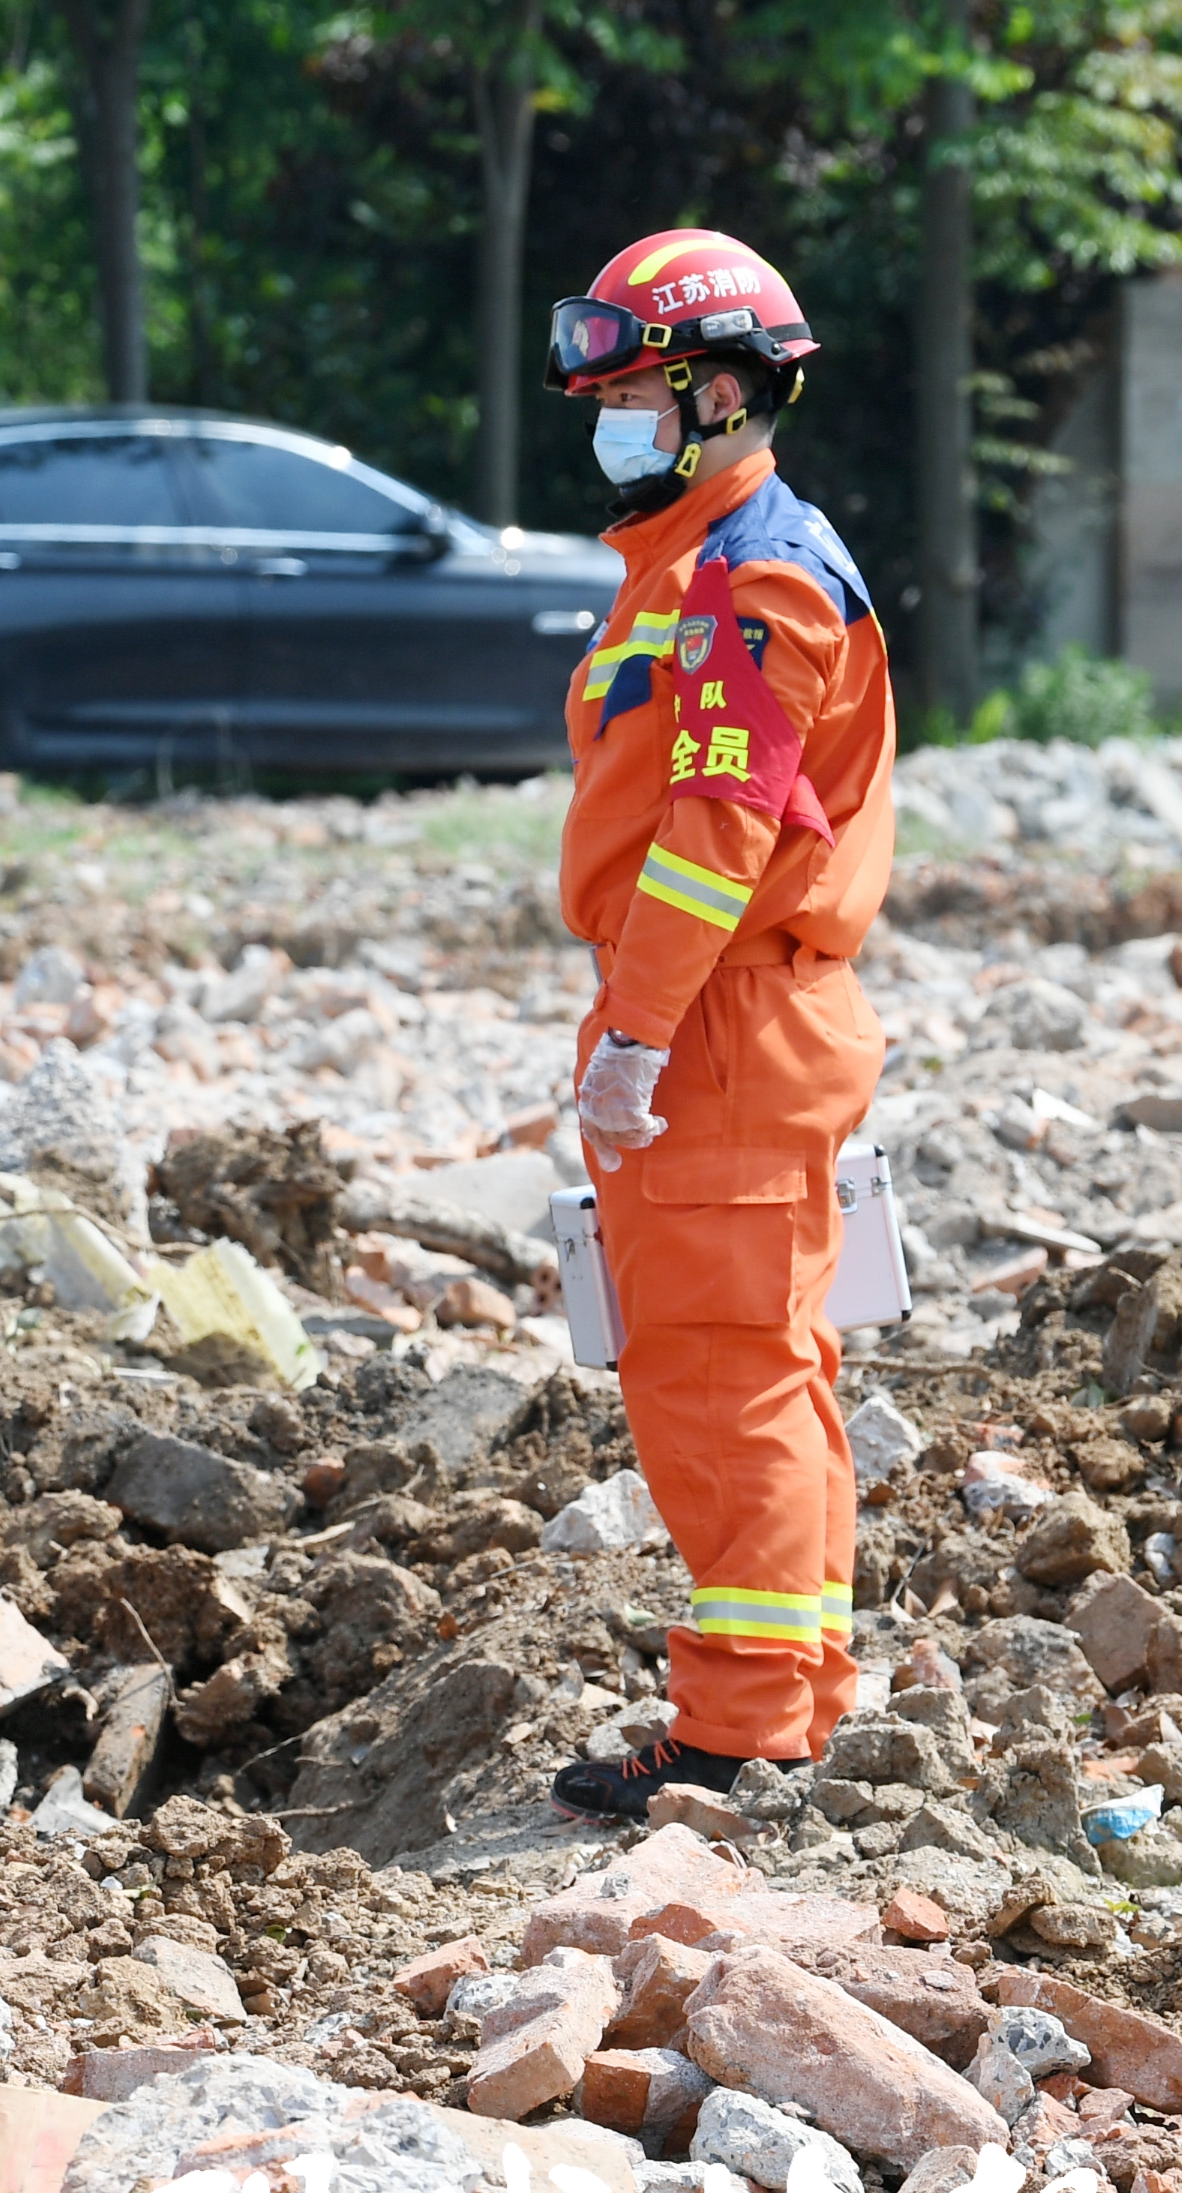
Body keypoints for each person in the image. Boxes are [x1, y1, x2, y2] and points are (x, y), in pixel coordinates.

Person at [534, 230, 895, 1821]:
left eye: (630, 391)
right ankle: (789, 1692)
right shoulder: (704, 563)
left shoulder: (749, 581)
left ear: (725, 392)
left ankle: (738, 1731)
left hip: (711, 1025)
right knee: (774, 1362)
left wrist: (629, 1040)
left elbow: (715, 833)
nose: (608, 419)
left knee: (712, 1377)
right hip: (737, 1018)